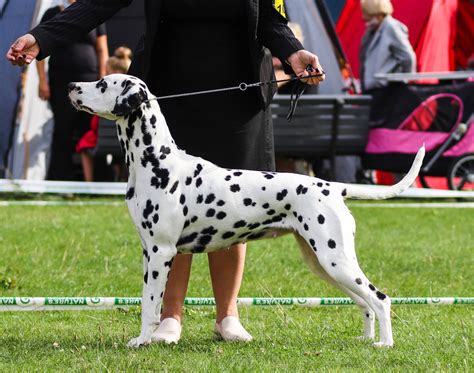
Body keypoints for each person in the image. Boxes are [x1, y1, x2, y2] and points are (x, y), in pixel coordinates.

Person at [7, 0, 324, 344]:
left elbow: (269, 18)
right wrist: (42, 38)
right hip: (167, 93)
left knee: (234, 204)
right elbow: (98, 4)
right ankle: (169, 317)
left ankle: (227, 315)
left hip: (238, 94)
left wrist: (293, 52)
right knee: (169, 213)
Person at [35, 0, 108, 181]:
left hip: (90, 83)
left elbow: (102, 49)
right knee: (63, 130)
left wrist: (102, 81)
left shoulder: (94, 11)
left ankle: (95, 180)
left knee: (90, 130)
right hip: (60, 83)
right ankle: (60, 179)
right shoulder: (52, 13)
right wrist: (42, 81)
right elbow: (39, 48)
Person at [75, 46, 132, 181]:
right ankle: (124, 179)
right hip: (125, 142)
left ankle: (88, 183)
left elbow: (95, 126)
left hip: (103, 143)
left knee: (84, 143)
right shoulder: (131, 100)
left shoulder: (102, 103)